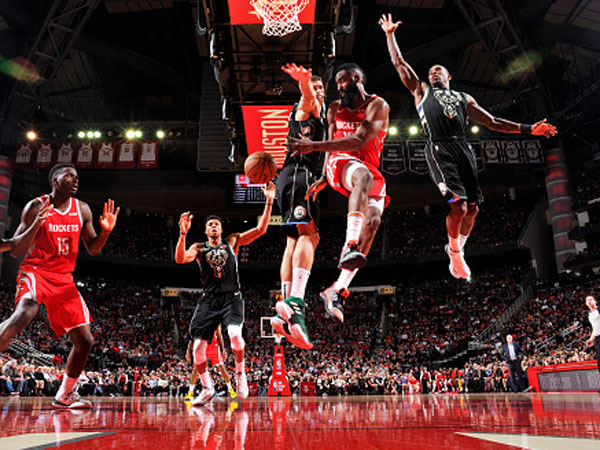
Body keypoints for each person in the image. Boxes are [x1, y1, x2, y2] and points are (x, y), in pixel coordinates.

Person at [379, 13, 557, 279]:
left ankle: (457, 251)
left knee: (473, 209)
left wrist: (530, 128)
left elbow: (494, 122)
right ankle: (454, 253)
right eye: (430, 72)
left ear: (449, 75)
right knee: (459, 205)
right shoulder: (421, 91)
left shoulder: (464, 97)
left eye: (437, 70)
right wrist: (390, 35)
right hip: (438, 148)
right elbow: (399, 63)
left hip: (463, 148)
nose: (432, 73)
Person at [0, 162, 119, 408]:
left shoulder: (82, 209)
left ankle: (64, 395)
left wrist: (106, 231)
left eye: (77, 176)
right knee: (25, 312)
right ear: (54, 181)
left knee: (85, 341)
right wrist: (37, 224)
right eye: (69, 176)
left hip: (64, 278)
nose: (76, 180)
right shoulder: (36, 206)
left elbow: (93, 249)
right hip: (36, 270)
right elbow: (16, 251)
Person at [288, 63, 390, 323]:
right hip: (341, 163)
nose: (340, 87)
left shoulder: (378, 106)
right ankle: (350, 244)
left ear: (357, 78)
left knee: (374, 221)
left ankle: (337, 289)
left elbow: (359, 140)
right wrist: (323, 175)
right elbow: (333, 147)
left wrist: (314, 145)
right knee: (361, 176)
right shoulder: (334, 108)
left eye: (343, 81)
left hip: (369, 168)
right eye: (338, 83)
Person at [175, 182, 275, 405]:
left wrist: (268, 201)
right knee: (198, 350)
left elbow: (261, 230)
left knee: (235, 336)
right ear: (205, 230)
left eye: (216, 224)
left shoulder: (233, 242)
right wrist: (182, 234)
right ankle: (207, 387)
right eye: (210, 224)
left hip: (231, 298)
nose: (213, 227)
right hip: (209, 300)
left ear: (221, 230)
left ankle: (240, 374)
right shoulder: (199, 248)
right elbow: (180, 259)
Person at [270, 63, 326, 349]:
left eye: (320, 89)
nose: (318, 93)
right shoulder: (307, 108)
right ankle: (297, 303)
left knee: (293, 240)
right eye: (316, 88)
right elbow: (307, 98)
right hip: (299, 174)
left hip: (292, 178)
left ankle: (285, 308)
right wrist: (305, 82)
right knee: (309, 235)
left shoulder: (314, 117)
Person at [185, 325, 236, 400]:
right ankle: (190, 392)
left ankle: (230, 389)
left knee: (221, 367)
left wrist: (222, 350)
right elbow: (192, 338)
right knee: (196, 369)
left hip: (213, 346)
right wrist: (188, 352)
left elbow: (219, 336)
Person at [585, 295, 600, 392]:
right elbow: (595, 329)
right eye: (587, 300)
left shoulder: (599, 309)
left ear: (595, 301)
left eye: (591, 299)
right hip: (598, 338)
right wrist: (591, 339)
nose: (589, 301)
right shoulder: (590, 314)